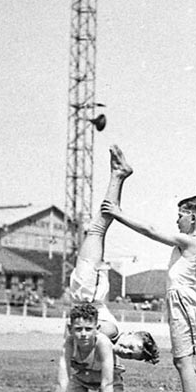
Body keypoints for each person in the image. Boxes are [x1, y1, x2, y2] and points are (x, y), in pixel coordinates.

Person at [102, 187, 196, 392]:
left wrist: (119, 214)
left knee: (184, 360)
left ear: (192, 218)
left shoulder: (191, 240)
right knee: (181, 360)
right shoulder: (189, 242)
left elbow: (150, 231)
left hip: (183, 300)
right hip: (178, 300)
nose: (177, 219)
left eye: (181, 215)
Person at [67, 145, 160, 363]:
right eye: (131, 346)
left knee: (96, 229)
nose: (126, 351)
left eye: (130, 355)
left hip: (85, 294)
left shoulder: (110, 346)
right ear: (129, 333)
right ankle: (118, 176)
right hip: (87, 293)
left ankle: (118, 176)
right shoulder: (111, 332)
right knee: (97, 229)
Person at [49, 303, 121, 392]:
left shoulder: (103, 343)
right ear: (70, 329)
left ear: (97, 328)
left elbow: (107, 383)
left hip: (105, 378)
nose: (83, 334)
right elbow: (62, 381)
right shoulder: (69, 343)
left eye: (88, 329)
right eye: (78, 329)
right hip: (81, 377)